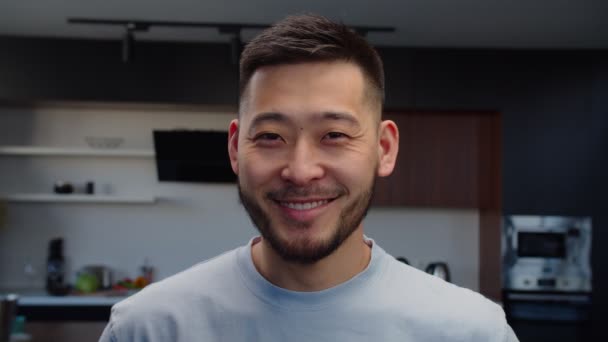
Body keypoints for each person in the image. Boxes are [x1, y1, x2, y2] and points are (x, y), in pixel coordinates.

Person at [99, 14, 518, 342]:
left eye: (334, 135)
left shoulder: (470, 331)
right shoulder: (148, 329)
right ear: (234, 148)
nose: (300, 170)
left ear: (384, 149)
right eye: (270, 136)